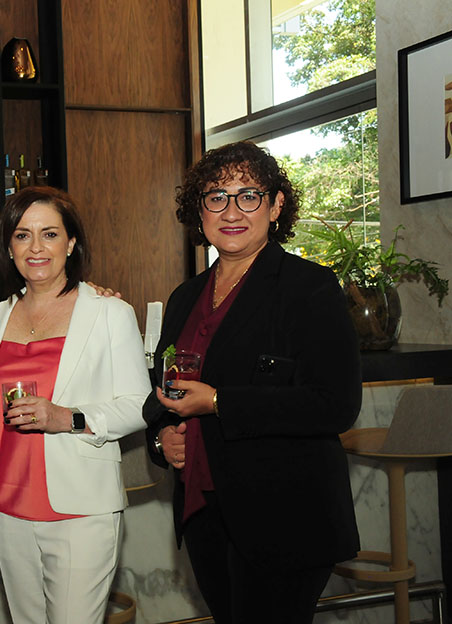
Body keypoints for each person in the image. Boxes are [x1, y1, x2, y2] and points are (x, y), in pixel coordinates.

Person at [144, 141, 362, 623]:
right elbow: (159, 392)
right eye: (216, 197)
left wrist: (219, 402)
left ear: (276, 204)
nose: (232, 210)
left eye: (248, 195)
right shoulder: (185, 297)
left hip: (284, 516)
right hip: (203, 509)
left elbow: (334, 405)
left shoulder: (309, 288)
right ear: (198, 211)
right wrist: (162, 438)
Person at [0, 186, 150, 623]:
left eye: (50, 234)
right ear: (9, 246)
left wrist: (68, 417)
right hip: (7, 503)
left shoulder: (109, 312)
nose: (36, 248)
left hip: (81, 508)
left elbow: (139, 404)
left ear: (71, 243)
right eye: (22, 235)